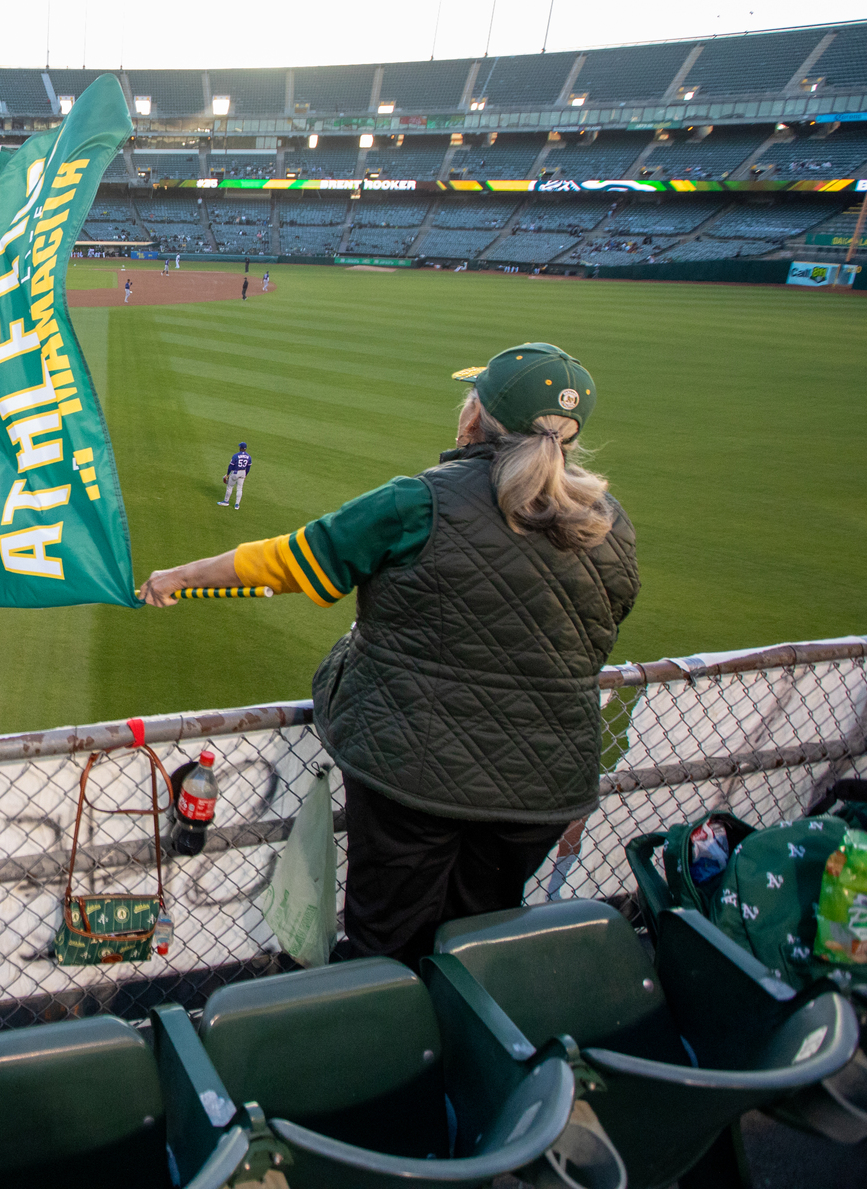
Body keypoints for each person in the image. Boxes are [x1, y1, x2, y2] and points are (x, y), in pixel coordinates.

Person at [140, 343, 638, 965]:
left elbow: (290, 560)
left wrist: (178, 576)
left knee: (384, 944)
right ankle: (463, 1045)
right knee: (478, 942)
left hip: (416, 774)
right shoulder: (609, 522)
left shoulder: (421, 502)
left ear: (474, 417)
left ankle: (384, 1044)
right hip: (544, 785)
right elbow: (601, 629)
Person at [220, 442, 252, 508]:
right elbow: (248, 468)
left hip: (235, 473)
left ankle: (226, 501)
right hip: (243, 472)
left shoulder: (236, 455)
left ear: (240, 448)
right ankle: (237, 505)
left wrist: (228, 474)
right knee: (240, 489)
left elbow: (231, 466)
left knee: (230, 487)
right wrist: (245, 475)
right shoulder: (249, 457)